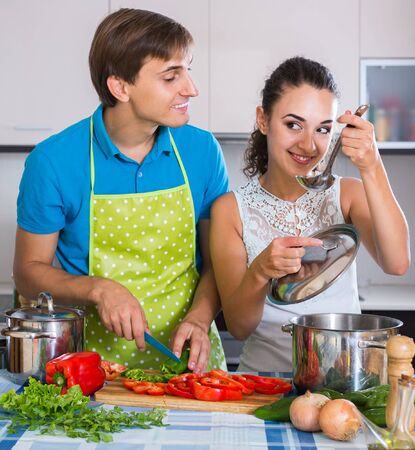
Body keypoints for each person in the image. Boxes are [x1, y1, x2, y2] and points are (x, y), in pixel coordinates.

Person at [13, 8, 228, 373]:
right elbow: (28, 273)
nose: (191, 88)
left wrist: (200, 317)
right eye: (171, 76)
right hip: (93, 372)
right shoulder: (53, 161)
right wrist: (99, 288)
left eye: (188, 70)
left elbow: (218, 263)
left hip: (192, 369)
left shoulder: (202, 151)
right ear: (120, 86)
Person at [210, 56, 411, 372]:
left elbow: (397, 262)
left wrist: (372, 164)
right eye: (293, 124)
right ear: (263, 120)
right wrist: (260, 270)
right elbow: (239, 327)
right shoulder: (229, 210)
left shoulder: (347, 194)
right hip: (263, 385)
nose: (309, 144)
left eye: (323, 129)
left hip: (343, 382)